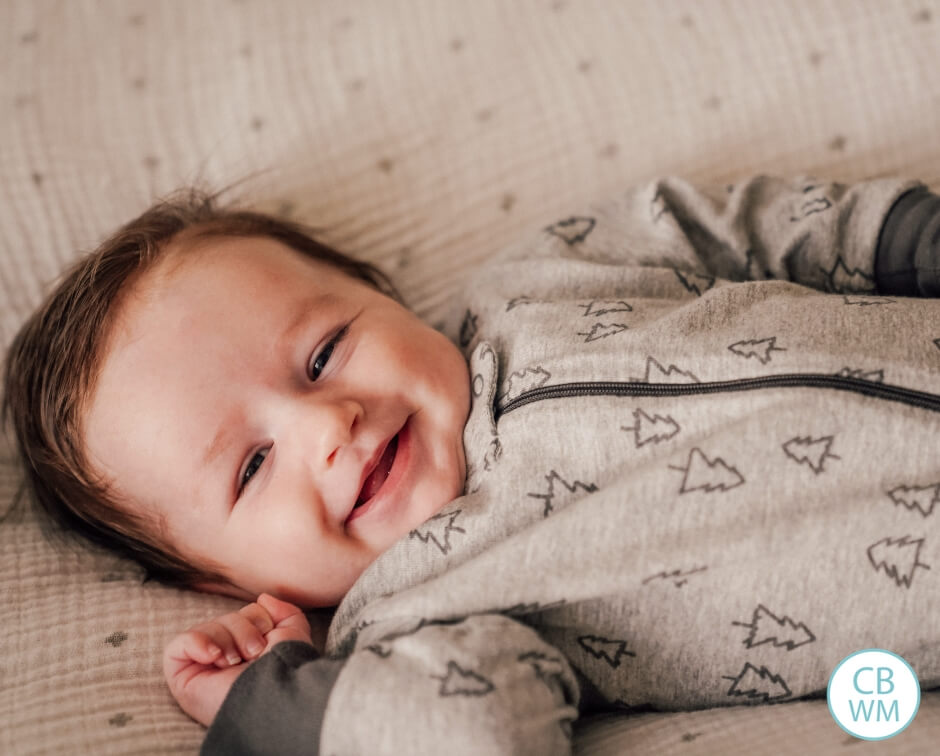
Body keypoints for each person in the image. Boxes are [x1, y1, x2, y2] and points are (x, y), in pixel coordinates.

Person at [4, 175, 940, 754]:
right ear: (223, 578)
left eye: (325, 352)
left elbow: (708, 224)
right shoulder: (418, 614)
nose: (330, 425)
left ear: (380, 294)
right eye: (252, 467)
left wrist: (893, 239)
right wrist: (278, 703)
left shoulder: (535, 280)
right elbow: (474, 735)